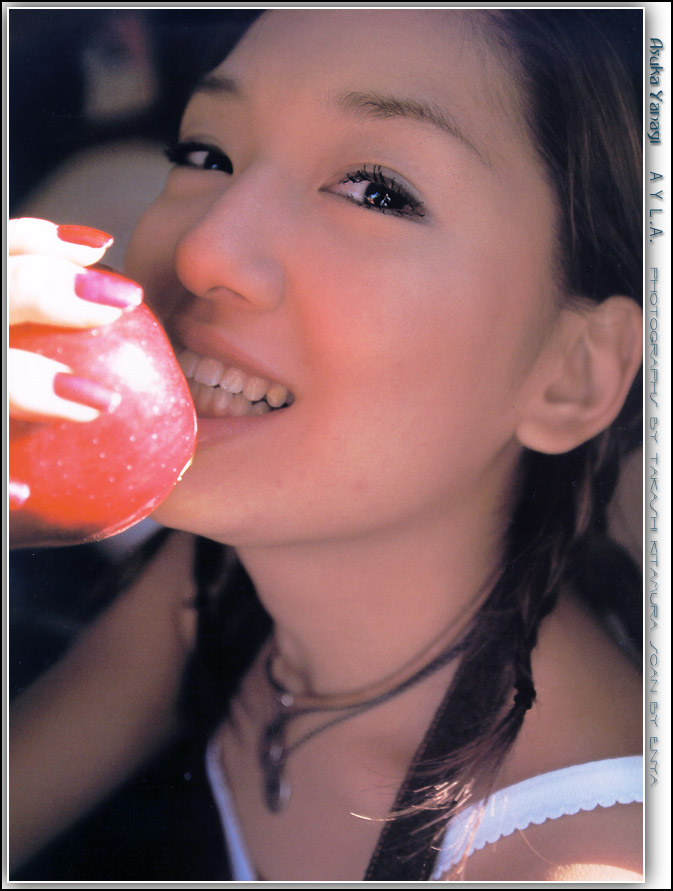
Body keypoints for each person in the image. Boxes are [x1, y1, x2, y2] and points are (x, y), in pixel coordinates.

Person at [9, 9, 644, 881]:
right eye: (206, 153)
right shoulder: (213, 589)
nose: (204, 250)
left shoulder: (579, 860)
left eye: (376, 190)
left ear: (571, 373)